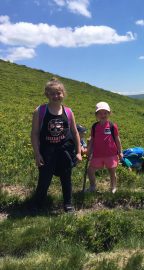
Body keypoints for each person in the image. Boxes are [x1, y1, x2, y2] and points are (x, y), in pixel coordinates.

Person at [31, 78, 82, 212]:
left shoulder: (69, 112)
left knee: (66, 178)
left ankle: (68, 203)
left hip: (65, 151)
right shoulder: (40, 111)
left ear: (63, 94)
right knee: (44, 179)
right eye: (52, 93)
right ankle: (37, 203)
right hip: (47, 151)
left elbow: (75, 132)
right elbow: (35, 134)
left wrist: (78, 152)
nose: (56, 96)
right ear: (47, 94)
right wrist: (37, 154)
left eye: (58, 93)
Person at [86, 102, 123, 194]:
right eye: (100, 113)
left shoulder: (112, 126)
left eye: (105, 113)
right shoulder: (94, 126)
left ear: (109, 113)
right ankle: (93, 186)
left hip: (111, 154)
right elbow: (92, 139)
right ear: (96, 115)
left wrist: (120, 152)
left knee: (112, 172)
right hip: (97, 154)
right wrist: (88, 150)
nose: (103, 115)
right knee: (90, 171)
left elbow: (117, 139)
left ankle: (113, 187)